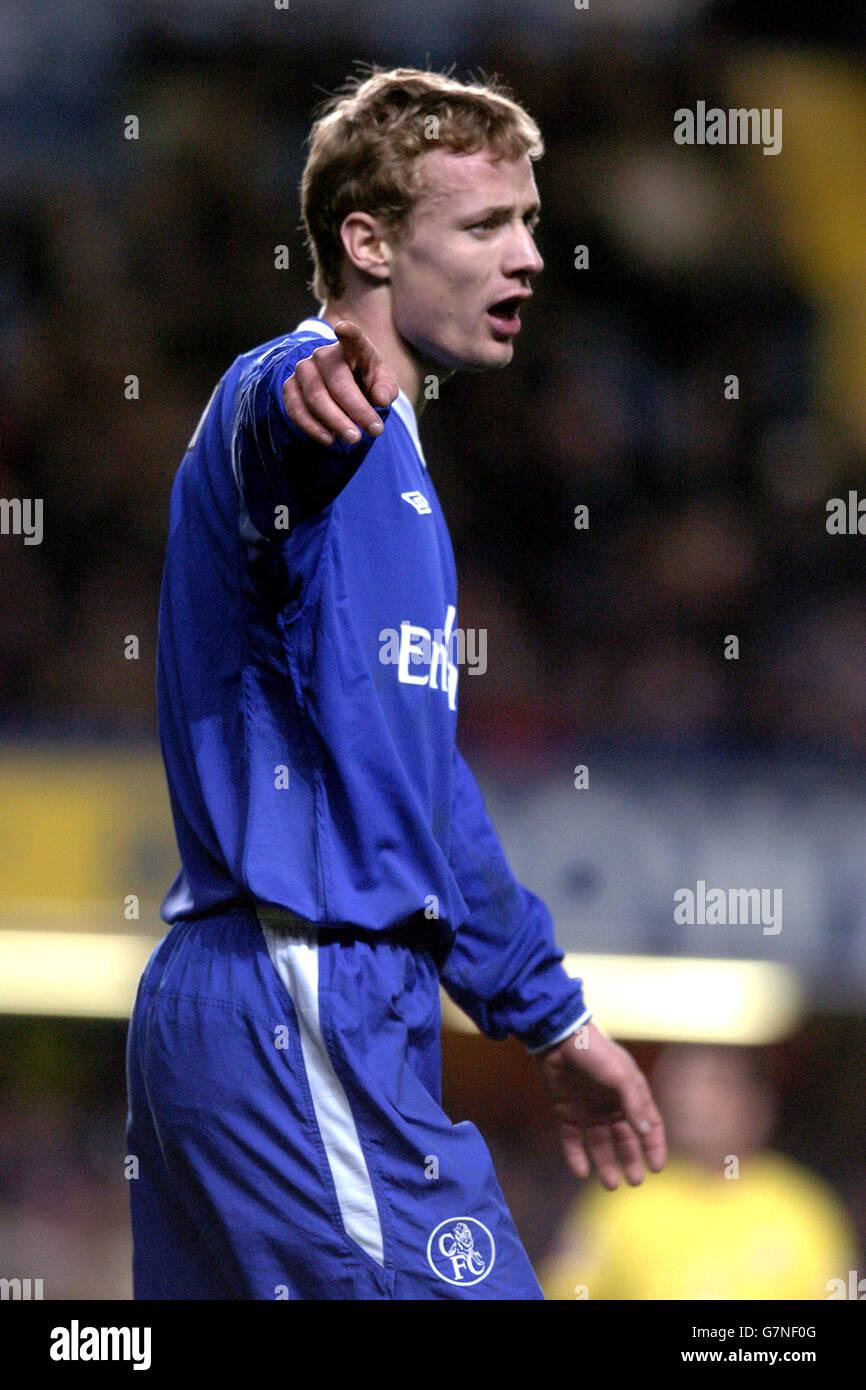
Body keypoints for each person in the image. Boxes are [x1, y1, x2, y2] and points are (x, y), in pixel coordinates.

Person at [125, 65, 666, 1301]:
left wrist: (552, 1020)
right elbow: (273, 429)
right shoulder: (309, 402)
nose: (527, 255)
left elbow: (421, 801)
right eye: (484, 224)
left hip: (266, 1001)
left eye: (528, 220)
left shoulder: (403, 468)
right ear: (364, 241)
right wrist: (296, 389)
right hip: (300, 995)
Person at [541, 1045, 857, 1300]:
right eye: (680, 1085)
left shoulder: (801, 1207)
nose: (691, 1100)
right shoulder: (624, 1199)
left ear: (755, 1104)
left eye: (712, 1084)